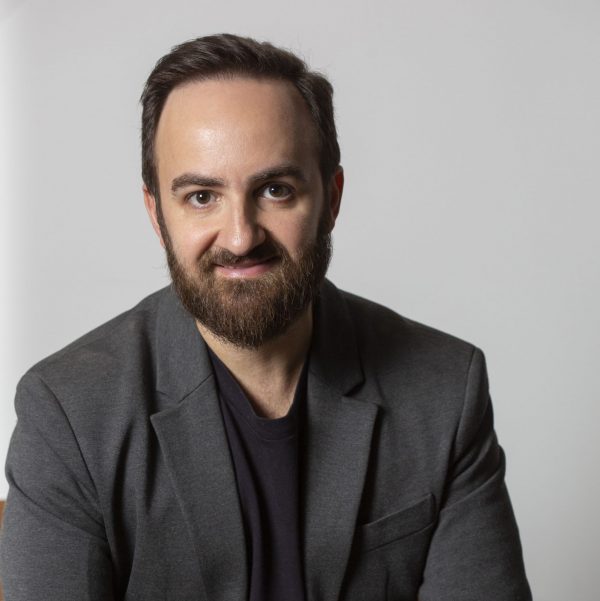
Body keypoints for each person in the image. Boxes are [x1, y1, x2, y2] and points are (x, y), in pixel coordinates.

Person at [0, 34, 532, 600]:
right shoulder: (69, 414)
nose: (240, 237)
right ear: (157, 214)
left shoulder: (444, 390)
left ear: (331, 198)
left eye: (276, 190)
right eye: (201, 196)